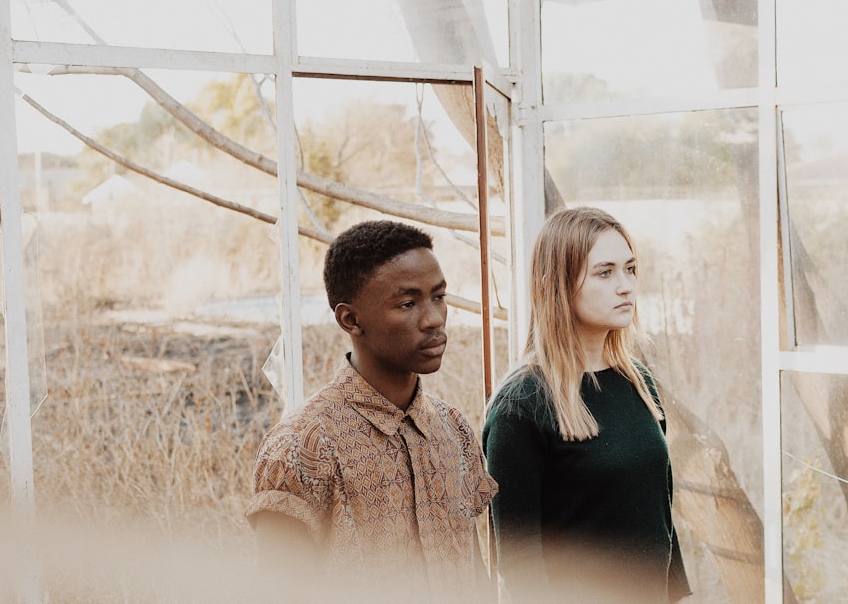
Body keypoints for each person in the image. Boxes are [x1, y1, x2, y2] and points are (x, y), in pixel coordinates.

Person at [246, 220, 497, 604]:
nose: (433, 319)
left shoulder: (453, 429)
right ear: (351, 320)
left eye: (439, 297)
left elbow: (473, 572)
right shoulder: (301, 446)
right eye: (408, 303)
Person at [482, 206, 692, 604]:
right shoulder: (521, 407)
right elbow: (520, 564)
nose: (626, 286)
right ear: (556, 285)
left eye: (630, 269)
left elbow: (656, 516)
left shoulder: (638, 382)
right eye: (605, 272)